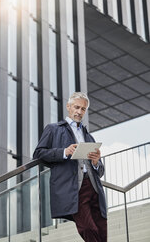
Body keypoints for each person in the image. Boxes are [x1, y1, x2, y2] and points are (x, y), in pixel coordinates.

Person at [33, 92, 107, 242]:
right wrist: (64, 152)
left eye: (83, 109)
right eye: (76, 107)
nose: (79, 112)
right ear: (68, 107)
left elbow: (100, 171)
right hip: (74, 188)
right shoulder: (53, 129)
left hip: (94, 188)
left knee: (101, 230)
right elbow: (38, 154)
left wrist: (96, 162)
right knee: (88, 228)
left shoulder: (89, 136)